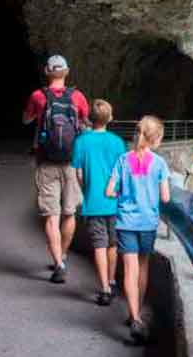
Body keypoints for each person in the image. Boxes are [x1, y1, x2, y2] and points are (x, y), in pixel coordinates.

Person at [22, 55, 89, 283]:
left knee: (52, 215)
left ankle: (58, 263)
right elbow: (86, 122)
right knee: (69, 212)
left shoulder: (38, 96)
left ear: (47, 72)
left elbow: (26, 119)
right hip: (72, 161)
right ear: (67, 72)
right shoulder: (78, 97)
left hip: (46, 161)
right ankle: (63, 255)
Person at [106, 115, 170, 342]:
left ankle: (134, 317)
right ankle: (138, 313)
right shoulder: (159, 164)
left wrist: (125, 192)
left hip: (126, 222)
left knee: (129, 270)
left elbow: (110, 191)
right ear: (156, 139)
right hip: (147, 223)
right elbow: (165, 196)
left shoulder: (124, 159)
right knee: (142, 268)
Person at [72, 99, 127, 306]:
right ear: (110, 118)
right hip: (114, 202)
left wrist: (86, 189)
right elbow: (123, 173)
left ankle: (104, 288)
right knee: (112, 244)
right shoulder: (117, 142)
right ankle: (112, 280)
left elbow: (78, 172)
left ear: (89, 119)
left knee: (99, 246)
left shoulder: (81, 141)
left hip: (93, 203)